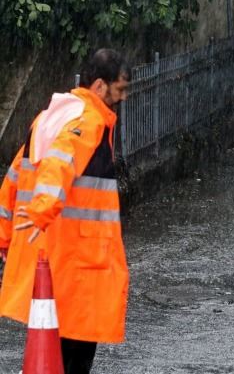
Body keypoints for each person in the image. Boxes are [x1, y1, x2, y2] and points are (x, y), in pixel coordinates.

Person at [0, 48, 131, 374]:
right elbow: (60, 162)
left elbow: (15, 177)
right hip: (78, 264)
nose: (123, 97)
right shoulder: (87, 120)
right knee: (73, 354)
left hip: (53, 257)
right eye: (119, 89)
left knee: (50, 347)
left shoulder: (50, 116)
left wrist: (4, 236)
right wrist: (43, 209)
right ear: (99, 86)